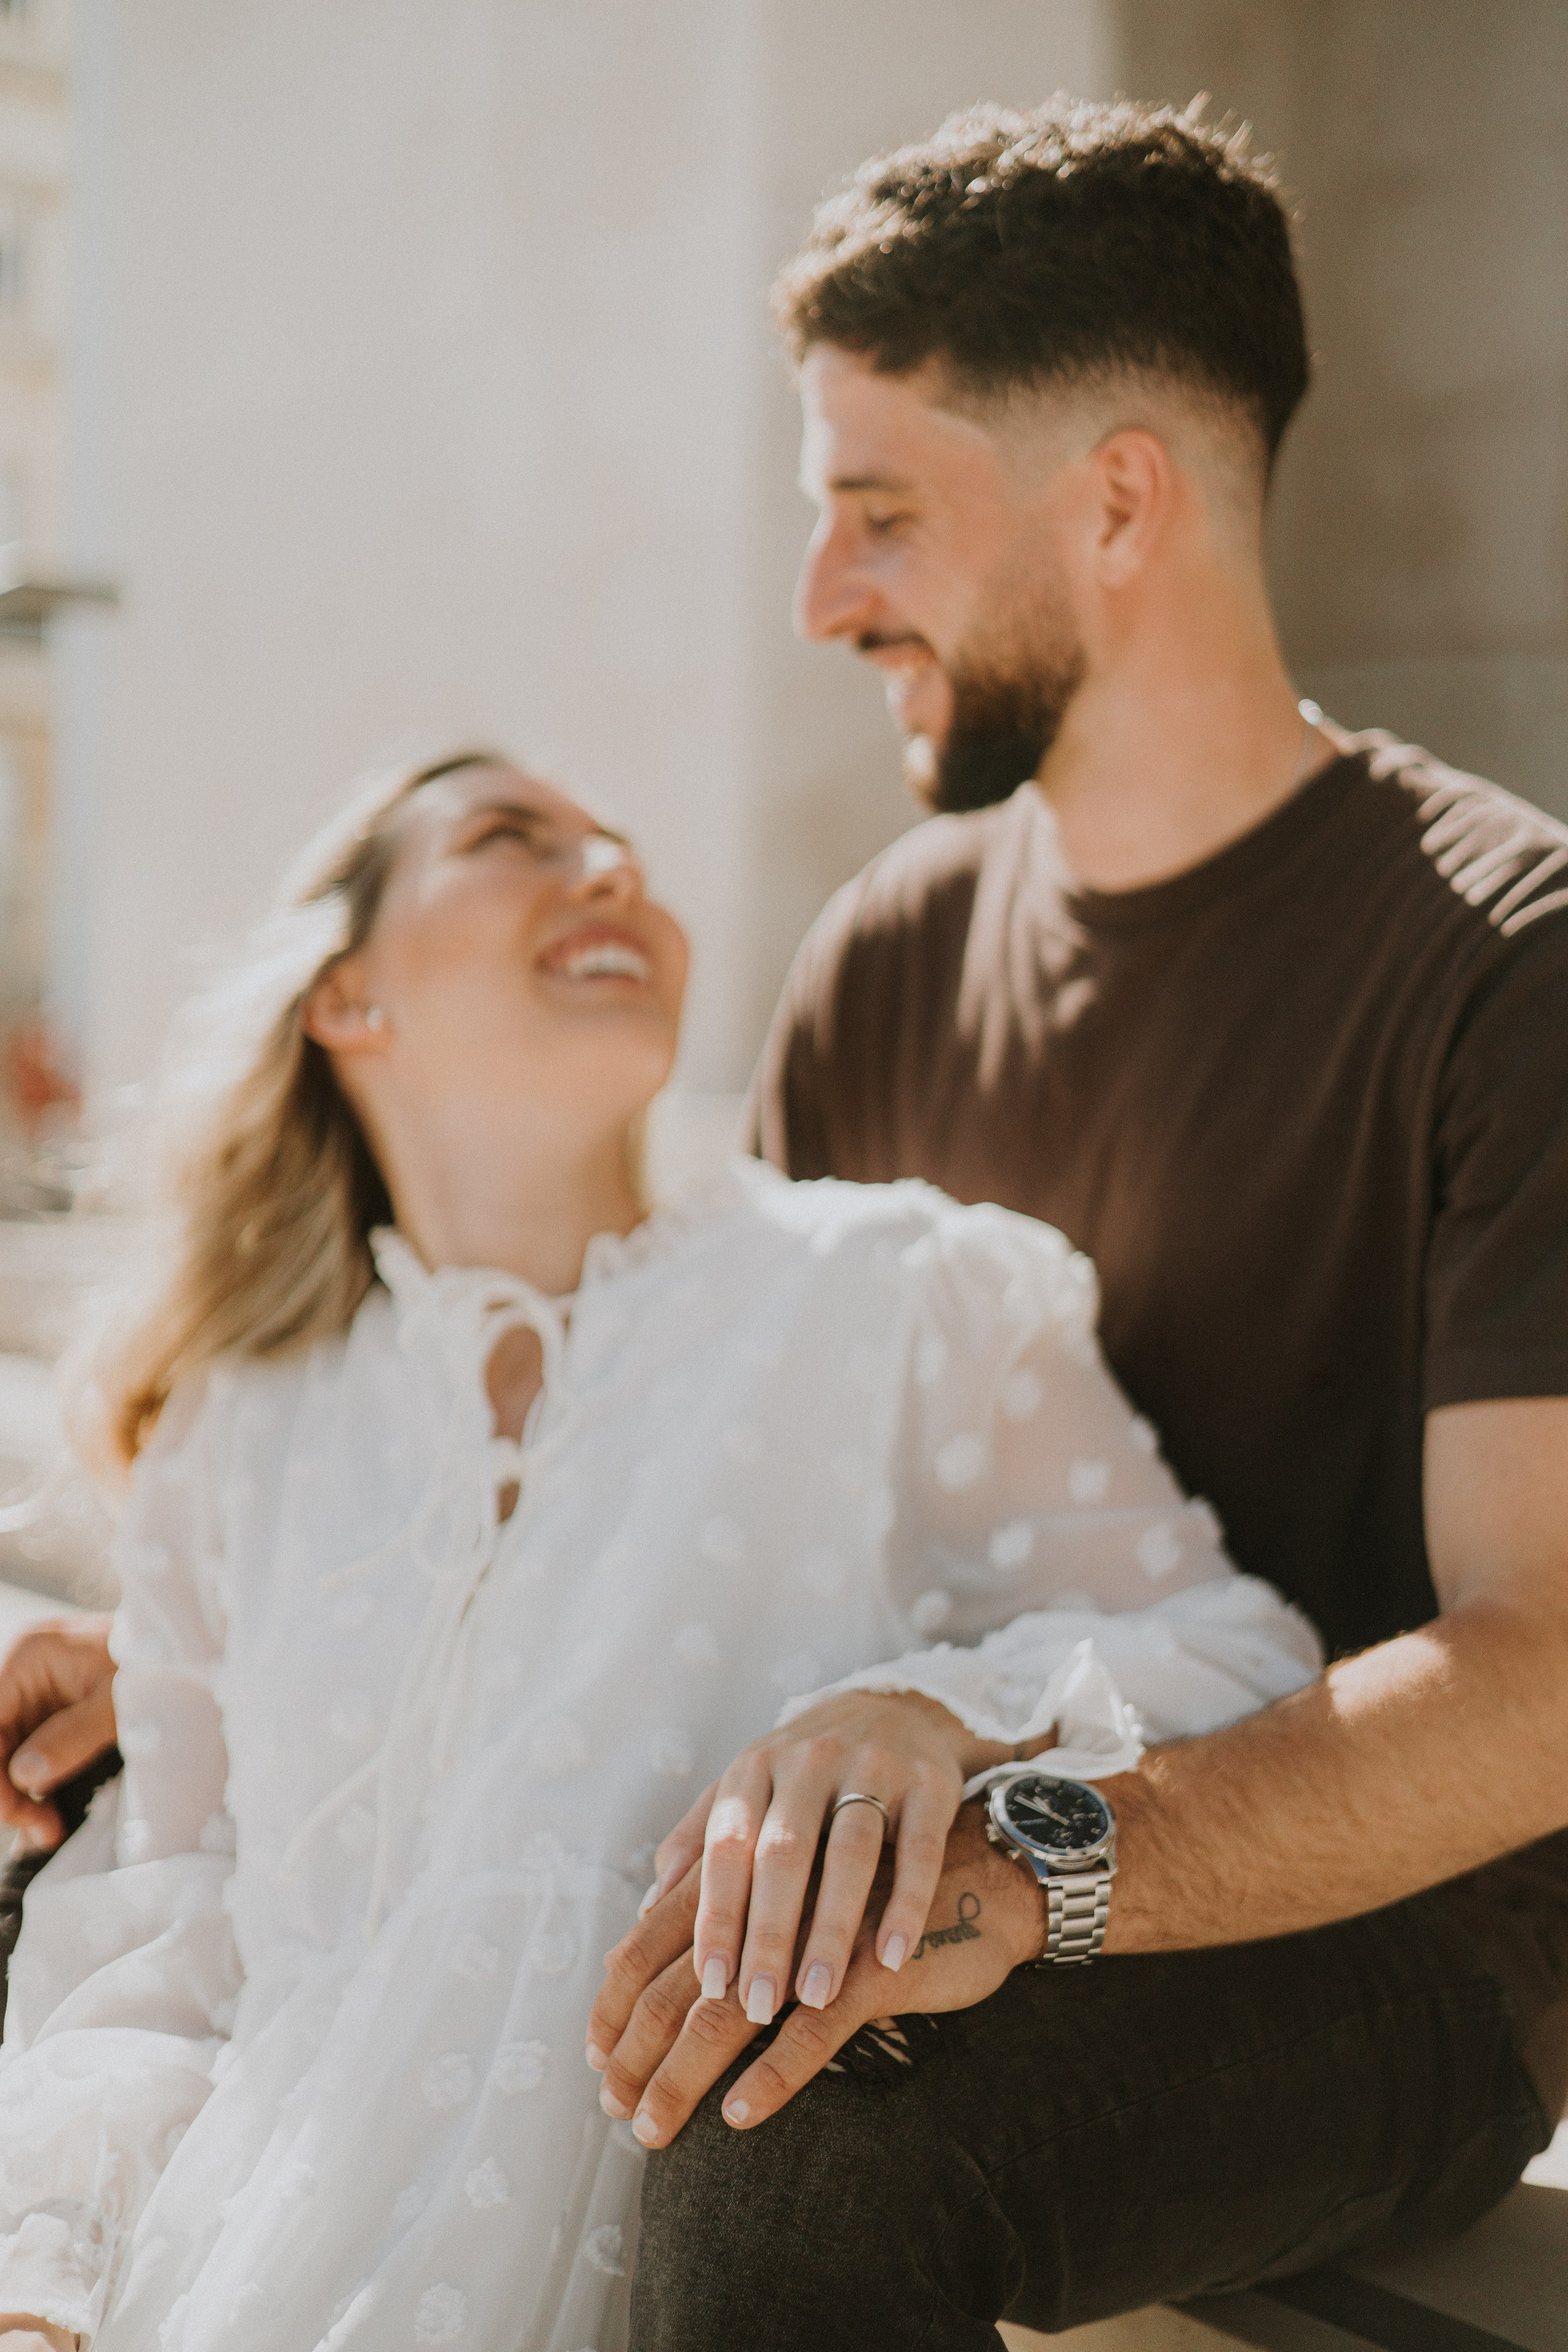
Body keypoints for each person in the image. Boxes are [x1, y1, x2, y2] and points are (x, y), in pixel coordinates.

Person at [574, 101, 1568, 2347]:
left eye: (882, 514)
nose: (826, 598)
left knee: (800, 2150)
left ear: (1121, 500)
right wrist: (190, 1651)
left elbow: (1550, 1677)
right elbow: (702, 1474)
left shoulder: (1516, 965)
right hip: (949, 1851)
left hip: (1409, 1960)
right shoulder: (889, 952)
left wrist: (1044, 1859)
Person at [0, 750, 1319, 2349]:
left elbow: (1244, 1654)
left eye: (622, 844)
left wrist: (939, 1711)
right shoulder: (242, 1425)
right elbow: (171, 1938)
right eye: (512, 839)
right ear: (346, 997)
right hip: (229, 2276)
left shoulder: (892, 1292)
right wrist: (48, 2281)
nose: (611, 867)